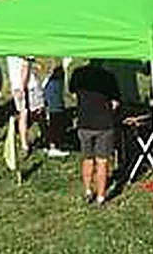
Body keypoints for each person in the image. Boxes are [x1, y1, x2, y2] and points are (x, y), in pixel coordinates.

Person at [69, 58, 121, 205]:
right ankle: (101, 196)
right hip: (104, 124)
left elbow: (72, 92)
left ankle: (87, 190)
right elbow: (116, 102)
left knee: (87, 159)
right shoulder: (108, 77)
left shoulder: (78, 73)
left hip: (84, 122)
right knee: (102, 161)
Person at [6, 55, 44, 155]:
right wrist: (23, 87)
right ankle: (46, 136)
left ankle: (24, 144)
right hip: (29, 86)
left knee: (23, 114)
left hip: (16, 86)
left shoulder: (10, 52)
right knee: (39, 110)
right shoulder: (24, 50)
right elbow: (25, 67)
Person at [43, 61, 71, 157]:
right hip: (52, 84)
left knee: (55, 115)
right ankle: (53, 146)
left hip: (54, 82)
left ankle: (52, 143)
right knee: (55, 115)